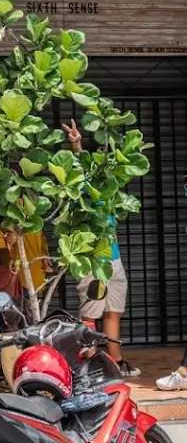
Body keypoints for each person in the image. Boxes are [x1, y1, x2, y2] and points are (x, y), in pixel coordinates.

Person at [64, 120, 141, 378]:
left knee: (113, 312)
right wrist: (76, 144)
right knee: (90, 315)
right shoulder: (86, 188)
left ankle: (115, 363)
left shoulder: (112, 191)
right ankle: (90, 365)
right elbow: (80, 169)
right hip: (93, 261)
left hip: (114, 260)